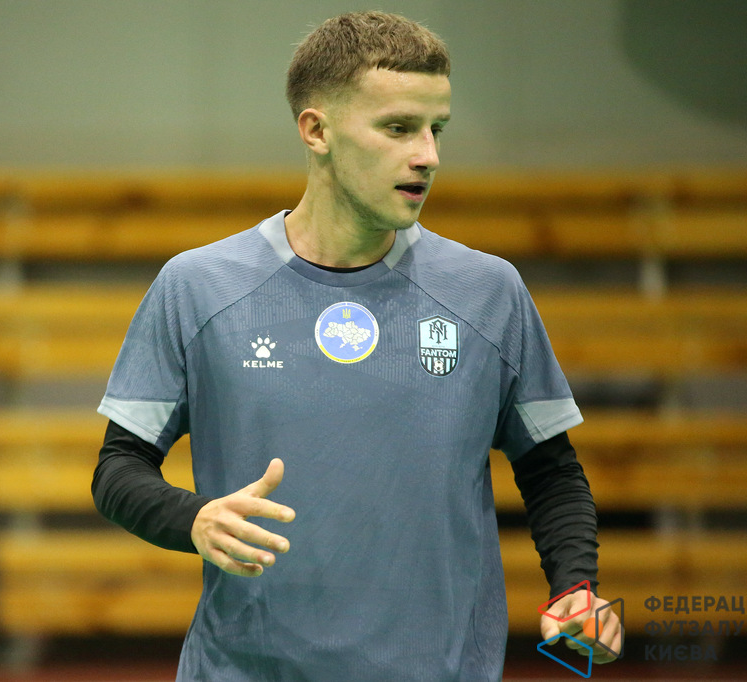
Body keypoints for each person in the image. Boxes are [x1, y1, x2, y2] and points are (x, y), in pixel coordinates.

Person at [92, 10, 621, 681]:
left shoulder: (490, 292)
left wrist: (575, 587)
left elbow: (550, 471)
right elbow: (118, 468)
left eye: (436, 129)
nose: (428, 155)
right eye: (398, 128)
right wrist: (194, 519)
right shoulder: (197, 287)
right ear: (316, 130)